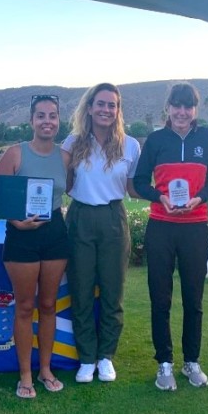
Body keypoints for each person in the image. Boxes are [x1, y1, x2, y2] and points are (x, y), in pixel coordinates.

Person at [132, 83, 208, 391]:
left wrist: (200, 199)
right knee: (161, 297)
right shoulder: (157, 140)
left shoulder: (207, 139)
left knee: (193, 298)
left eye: (188, 107)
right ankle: (165, 364)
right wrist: (160, 197)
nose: (182, 113)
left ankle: (191, 362)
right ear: (168, 108)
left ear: (195, 110)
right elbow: (140, 182)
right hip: (161, 225)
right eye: (177, 106)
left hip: (196, 227)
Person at [0, 94, 71, 399]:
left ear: (58, 120)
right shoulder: (15, 154)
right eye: (41, 116)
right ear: (31, 121)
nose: (47, 121)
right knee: (25, 306)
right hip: (21, 234)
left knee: (49, 305)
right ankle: (25, 374)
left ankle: (45, 369)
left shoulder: (65, 158)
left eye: (52, 116)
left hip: (54, 232)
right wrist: (17, 223)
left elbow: (70, 189)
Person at [63, 82, 140, 384]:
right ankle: (86, 357)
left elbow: (134, 186)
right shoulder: (73, 142)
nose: (106, 109)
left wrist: (165, 193)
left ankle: (105, 356)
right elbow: (64, 184)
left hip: (113, 217)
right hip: (80, 216)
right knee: (81, 290)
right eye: (101, 103)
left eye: (113, 105)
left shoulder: (130, 145)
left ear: (118, 110)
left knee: (113, 290)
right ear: (90, 107)